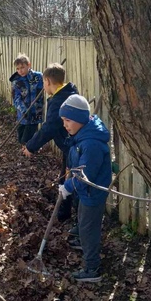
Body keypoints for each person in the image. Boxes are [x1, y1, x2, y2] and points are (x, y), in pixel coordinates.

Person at [58, 95, 112, 283]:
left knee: (89, 229)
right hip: (85, 193)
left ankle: (92, 268)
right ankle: (83, 242)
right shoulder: (81, 135)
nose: (65, 125)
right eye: (63, 120)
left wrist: (68, 186)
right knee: (83, 221)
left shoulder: (91, 144)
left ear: (80, 119)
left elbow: (85, 177)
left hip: (92, 193)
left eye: (68, 120)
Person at [22, 63, 79, 222]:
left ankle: (65, 215)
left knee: (67, 179)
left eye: (43, 83)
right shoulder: (70, 92)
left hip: (72, 147)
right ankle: (65, 212)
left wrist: (31, 147)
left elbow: (49, 128)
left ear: (47, 81)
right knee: (66, 177)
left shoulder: (59, 100)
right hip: (71, 144)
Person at [10, 53, 44, 146]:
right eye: (18, 68)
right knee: (21, 138)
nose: (20, 71)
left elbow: (47, 87)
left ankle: (28, 153)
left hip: (35, 113)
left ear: (29, 65)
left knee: (26, 138)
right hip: (22, 114)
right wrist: (24, 110)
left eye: (22, 67)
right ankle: (29, 149)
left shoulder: (38, 77)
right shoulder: (16, 81)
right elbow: (16, 98)